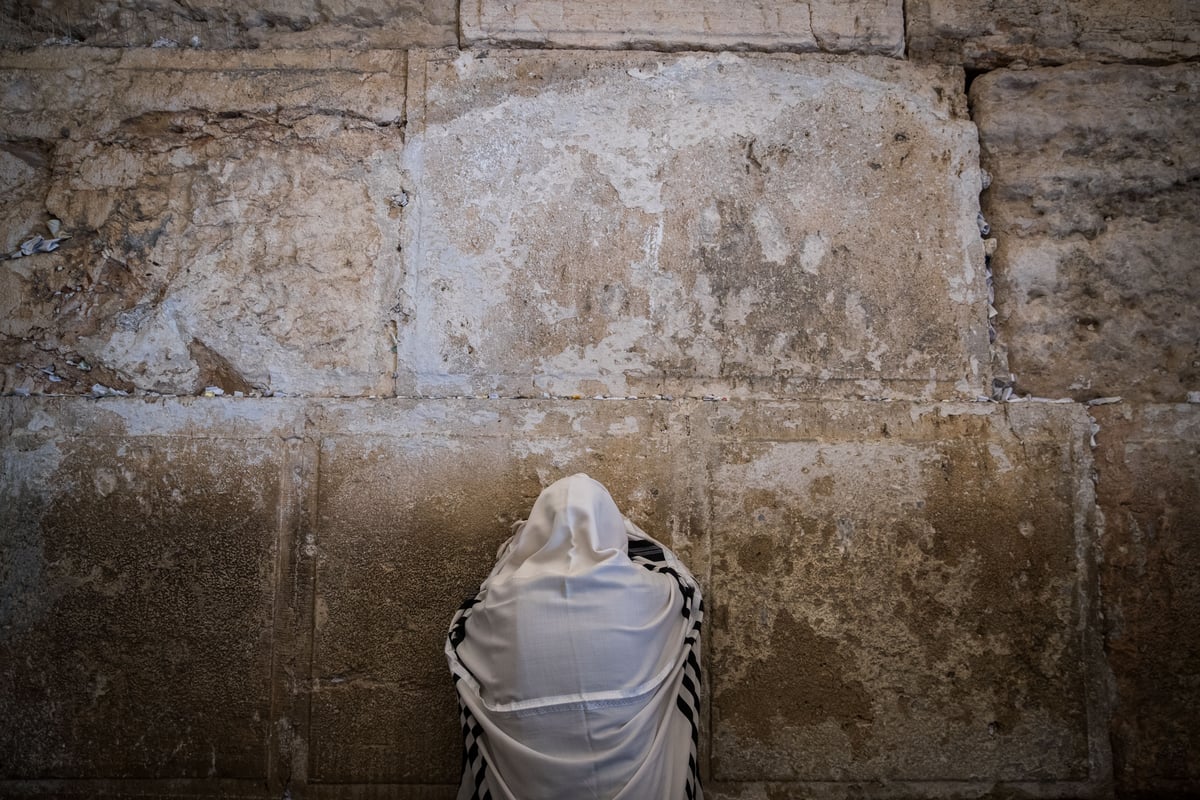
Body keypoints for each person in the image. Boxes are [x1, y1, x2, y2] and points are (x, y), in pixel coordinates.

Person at [446, 473, 704, 800]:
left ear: (538, 526)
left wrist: (515, 551)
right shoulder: (648, 595)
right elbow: (687, 589)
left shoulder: (498, 606)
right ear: (609, 526)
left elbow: (460, 634)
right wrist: (631, 532)